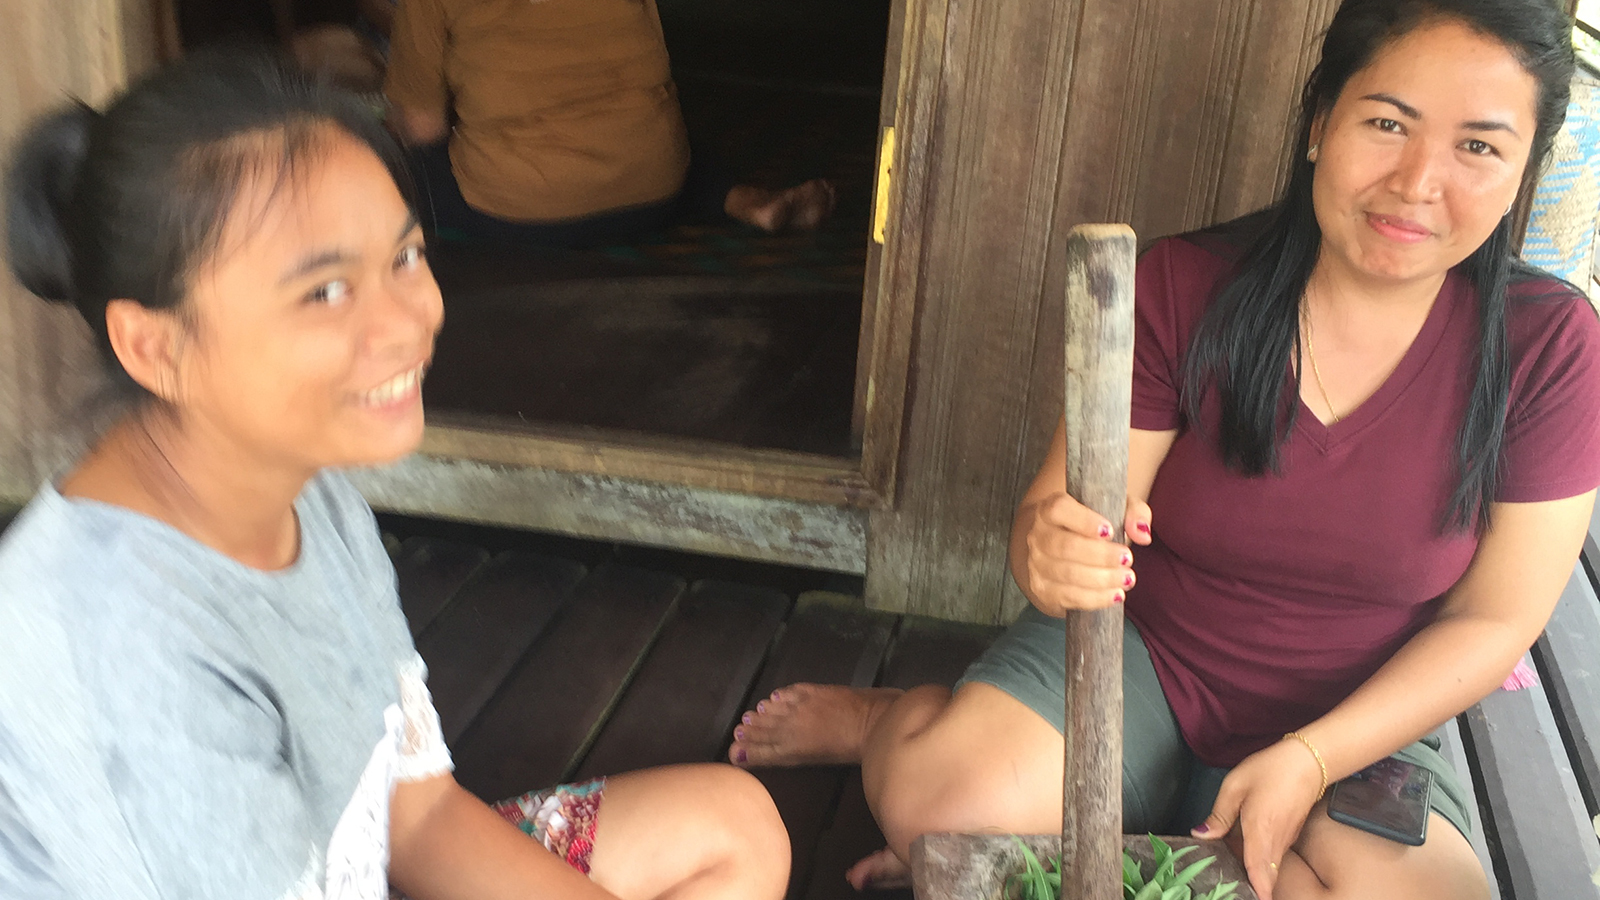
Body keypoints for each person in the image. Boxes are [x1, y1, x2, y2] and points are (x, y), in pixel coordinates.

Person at [726, 1, 1600, 899]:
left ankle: (1127, 828)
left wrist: (1310, 757)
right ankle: (890, 722)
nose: (1419, 182)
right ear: (1318, 126)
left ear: (1524, 168)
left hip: (1360, 706)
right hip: (1143, 653)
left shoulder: (1548, 348)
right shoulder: (1183, 288)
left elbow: (1495, 620)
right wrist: (1049, 547)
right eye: (1387, 123)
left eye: (1479, 148)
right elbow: (1058, 512)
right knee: (944, 807)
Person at [0, 52, 789, 900]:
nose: (412, 319)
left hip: (349, 870)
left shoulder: (305, 482)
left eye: (405, 256)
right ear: (156, 346)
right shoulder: (114, 645)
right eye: (327, 291)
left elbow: (416, 813)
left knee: (730, 830)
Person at [383, 0, 836, 247]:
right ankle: (741, 200)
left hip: (517, 212)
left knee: (396, 166)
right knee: (663, 137)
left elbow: (422, 128)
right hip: (653, 191)